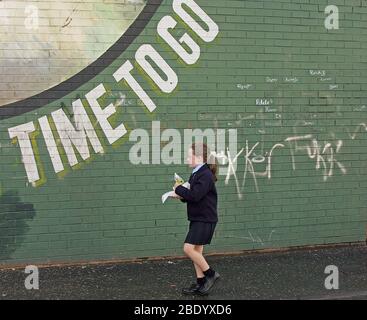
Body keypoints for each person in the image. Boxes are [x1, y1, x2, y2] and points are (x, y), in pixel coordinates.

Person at [172, 142, 220, 295]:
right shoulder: (197, 173)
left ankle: (211, 275)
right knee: (197, 250)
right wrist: (180, 196)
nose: (187, 159)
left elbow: (195, 195)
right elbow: (193, 196)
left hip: (205, 219)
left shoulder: (205, 174)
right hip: (198, 217)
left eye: (189, 156)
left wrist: (178, 189)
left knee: (188, 249)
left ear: (199, 157)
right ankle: (200, 283)